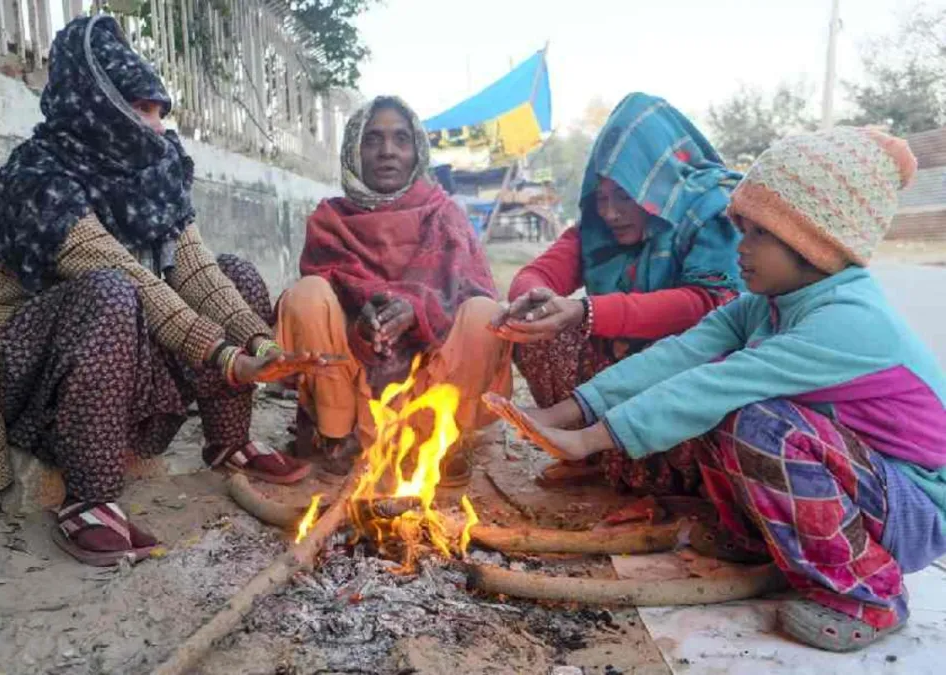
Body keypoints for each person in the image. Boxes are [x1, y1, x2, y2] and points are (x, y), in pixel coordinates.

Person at [484, 127, 946, 651]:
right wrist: (567, 412)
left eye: (757, 234)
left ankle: (870, 596)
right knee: (720, 408)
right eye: (740, 228)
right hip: (866, 487)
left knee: (756, 422)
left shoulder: (846, 321)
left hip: (914, 508)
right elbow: (679, 356)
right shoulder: (768, 302)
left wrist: (590, 440)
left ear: (813, 240)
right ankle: (755, 541)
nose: (739, 247)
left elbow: (715, 383)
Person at [0, 16, 325, 566]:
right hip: (22, 390)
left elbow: (196, 273)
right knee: (110, 291)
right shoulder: (36, 181)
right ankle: (88, 499)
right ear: (95, 102)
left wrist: (266, 348)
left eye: (159, 111)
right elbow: (136, 282)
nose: (155, 127)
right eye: (141, 108)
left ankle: (229, 441)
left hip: (112, 363)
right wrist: (224, 357)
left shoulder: (151, 176)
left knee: (234, 271)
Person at [491, 93, 743, 492]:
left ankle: (677, 480)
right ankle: (590, 457)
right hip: (616, 372)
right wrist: (534, 300)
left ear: (657, 185)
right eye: (602, 198)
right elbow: (538, 273)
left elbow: (709, 305)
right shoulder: (596, 227)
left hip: (686, 366)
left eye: (625, 196)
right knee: (536, 332)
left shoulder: (712, 212)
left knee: (683, 368)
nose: (610, 212)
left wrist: (586, 312)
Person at [275, 95, 512, 486]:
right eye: (373, 140)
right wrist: (364, 319)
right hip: (354, 378)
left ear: (417, 150)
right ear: (354, 150)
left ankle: (444, 439)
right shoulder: (330, 219)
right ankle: (337, 436)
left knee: (486, 313)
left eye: (401, 139)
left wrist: (416, 312)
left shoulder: (445, 214)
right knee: (307, 294)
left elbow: (468, 289)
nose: (387, 151)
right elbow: (330, 292)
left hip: (431, 378)